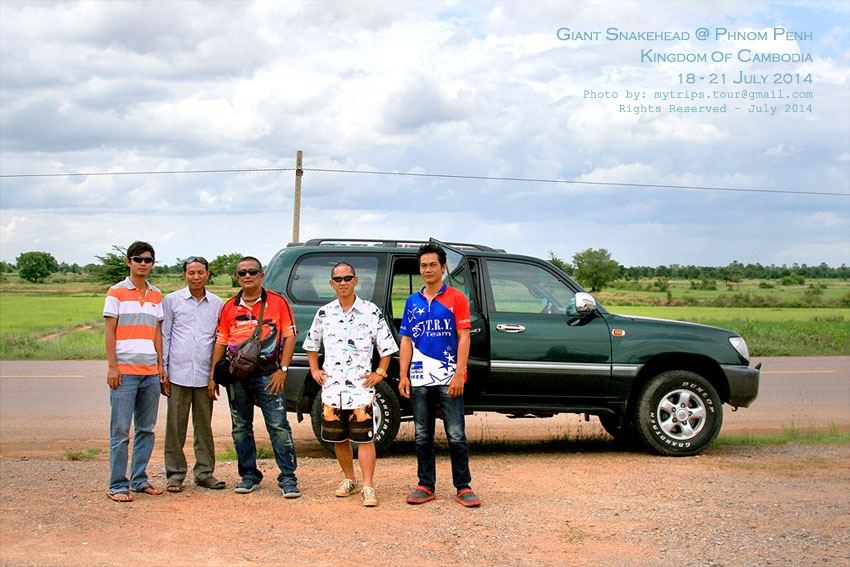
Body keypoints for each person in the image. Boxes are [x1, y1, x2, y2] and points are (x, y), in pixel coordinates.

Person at [303, 262, 398, 507]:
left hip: (360, 388)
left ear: (356, 281)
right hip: (333, 388)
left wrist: (381, 372)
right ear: (331, 284)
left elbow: (386, 346)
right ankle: (349, 479)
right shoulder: (325, 313)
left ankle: (368, 486)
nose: (343, 283)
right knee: (338, 438)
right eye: (338, 279)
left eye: (348, 278)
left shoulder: (370, 311)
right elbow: (312, 345)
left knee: (365, 438)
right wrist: (315, 370)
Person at [398, 242, 481, 507]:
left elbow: (464, 337)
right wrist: (403, 375)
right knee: (423, 435)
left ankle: (463, 486)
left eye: (433, 264)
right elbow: (406, 340)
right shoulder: (412, 302)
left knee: (456, 434)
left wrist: (460, 373)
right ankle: (425, 485)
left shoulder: (456, 298)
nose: (428, 269)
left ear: (443, 268)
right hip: (420, 379)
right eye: (423, 265)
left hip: (449, 378)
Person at [210, 256, 300, 497]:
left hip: (270, 375)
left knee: (278, 426)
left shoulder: (278, 302)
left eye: (252, 272)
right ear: (237, 278)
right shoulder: (229, 306)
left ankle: (288, 478)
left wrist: (282, 369)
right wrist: (213, 376)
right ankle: (249, 475)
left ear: (261, 275)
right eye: (242, 273)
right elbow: (220, 340)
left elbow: (290, 336)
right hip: (237, 376)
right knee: (240, 427)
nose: (247, 276)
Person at [103, 241, 167, 502]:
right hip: (125, 372)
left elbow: (157, 332)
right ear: (128, 262)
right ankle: (118, 484)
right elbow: (109, 330)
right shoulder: (116, 292)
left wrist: (161, 365)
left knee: (146, 429)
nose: (143, 264)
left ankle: (139, 479)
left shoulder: (155, 294)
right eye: (138, 259)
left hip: (150, 372)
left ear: (152, 264)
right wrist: (112, 366)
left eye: (148, 260)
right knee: (120, 430)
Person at [161, 256, 225, 493]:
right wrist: (163, 371)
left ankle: (204, 473)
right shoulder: (172, 301)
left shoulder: (218, 303)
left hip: (205, 377)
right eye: (191, 273)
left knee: (203, 427)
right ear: (184, 275)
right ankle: (175, 474)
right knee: (175, 426)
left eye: (200, 272)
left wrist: (214, 375)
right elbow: (165, 335)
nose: (196, 277)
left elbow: (221, 340)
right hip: (177, 374)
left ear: (208, 274)